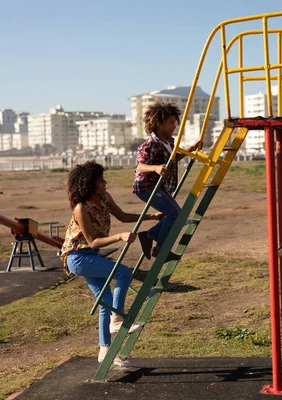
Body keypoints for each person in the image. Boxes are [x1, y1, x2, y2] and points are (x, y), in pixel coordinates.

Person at [60, 160, 161, 367]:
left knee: (104, 300)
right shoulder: (81, 208)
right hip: (78, 258)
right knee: (123, 273)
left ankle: (105, 351)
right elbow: (92, 241)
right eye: (100, 180)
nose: (105, 183)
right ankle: (117, 319)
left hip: (92, 256)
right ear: (88, 184)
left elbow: (122, 216)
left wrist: (151, 215)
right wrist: (119, 237)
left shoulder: (105, 198)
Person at [132, 101, 201, 263]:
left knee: (178, 215)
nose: (174, 126)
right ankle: (160, 248)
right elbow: (140, 165)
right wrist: (155, 168)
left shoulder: (170, 141)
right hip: (146, 186)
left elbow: (174, 158)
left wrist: (190, 149)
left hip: (160, 187)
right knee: (173, 213)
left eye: (175, 122)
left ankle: (149, 235)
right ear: (158, 123)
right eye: (170, 123)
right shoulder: (151, 143)